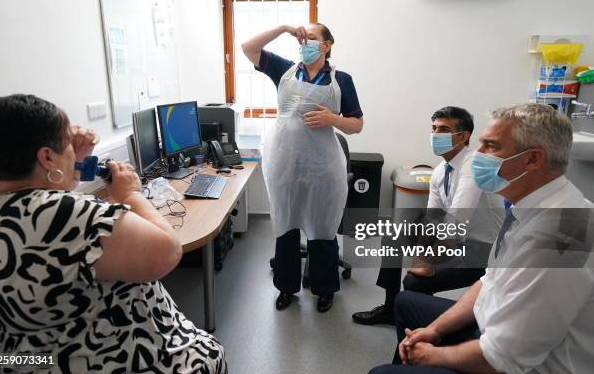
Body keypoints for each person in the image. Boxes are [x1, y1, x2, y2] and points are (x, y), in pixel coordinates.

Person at [0, 95, 227, 373]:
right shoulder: (75, 215)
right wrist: (130, 195)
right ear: (47, 157)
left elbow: (44, 197)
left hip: (23, 357)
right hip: (101, 356)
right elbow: (168, 252)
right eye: (66, 146)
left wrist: (75, 158)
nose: (73, 153)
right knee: (209, 355)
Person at [369, 103, 594, 374]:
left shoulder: (557, 241)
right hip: (490, 326)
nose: (478, 154)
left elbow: (503, 359)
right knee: (405, 299)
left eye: (491, 146)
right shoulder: (529, 207)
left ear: (533, 159)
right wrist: (433, 330)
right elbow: (488, 279)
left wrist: (431, 356)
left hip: (515, 365)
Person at [242, 24, 364, 312]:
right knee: (285, 224)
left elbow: (357, 124)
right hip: (284, 161)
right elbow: (248, 48)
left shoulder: (341, 80)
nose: (304, 42)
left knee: (323, 227)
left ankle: (324, 289)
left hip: (323, 166)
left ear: (327, 45)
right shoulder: (285, 70)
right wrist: (284, 28)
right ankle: (285, 288)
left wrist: (332, 119)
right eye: (302, 37)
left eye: (312, 38)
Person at [353, 107, 503, 326]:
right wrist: (422, 251)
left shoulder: (474, 165)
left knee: (415, 281)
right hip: (457, 243)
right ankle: (390, 308)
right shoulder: (441, 171)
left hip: (482, 251)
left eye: (444, 129)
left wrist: (427, 261)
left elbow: (455, 224)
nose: (435, 134)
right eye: (433, 128)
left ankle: (424, 325)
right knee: (394, 239)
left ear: (463, 136)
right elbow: (432, 219)